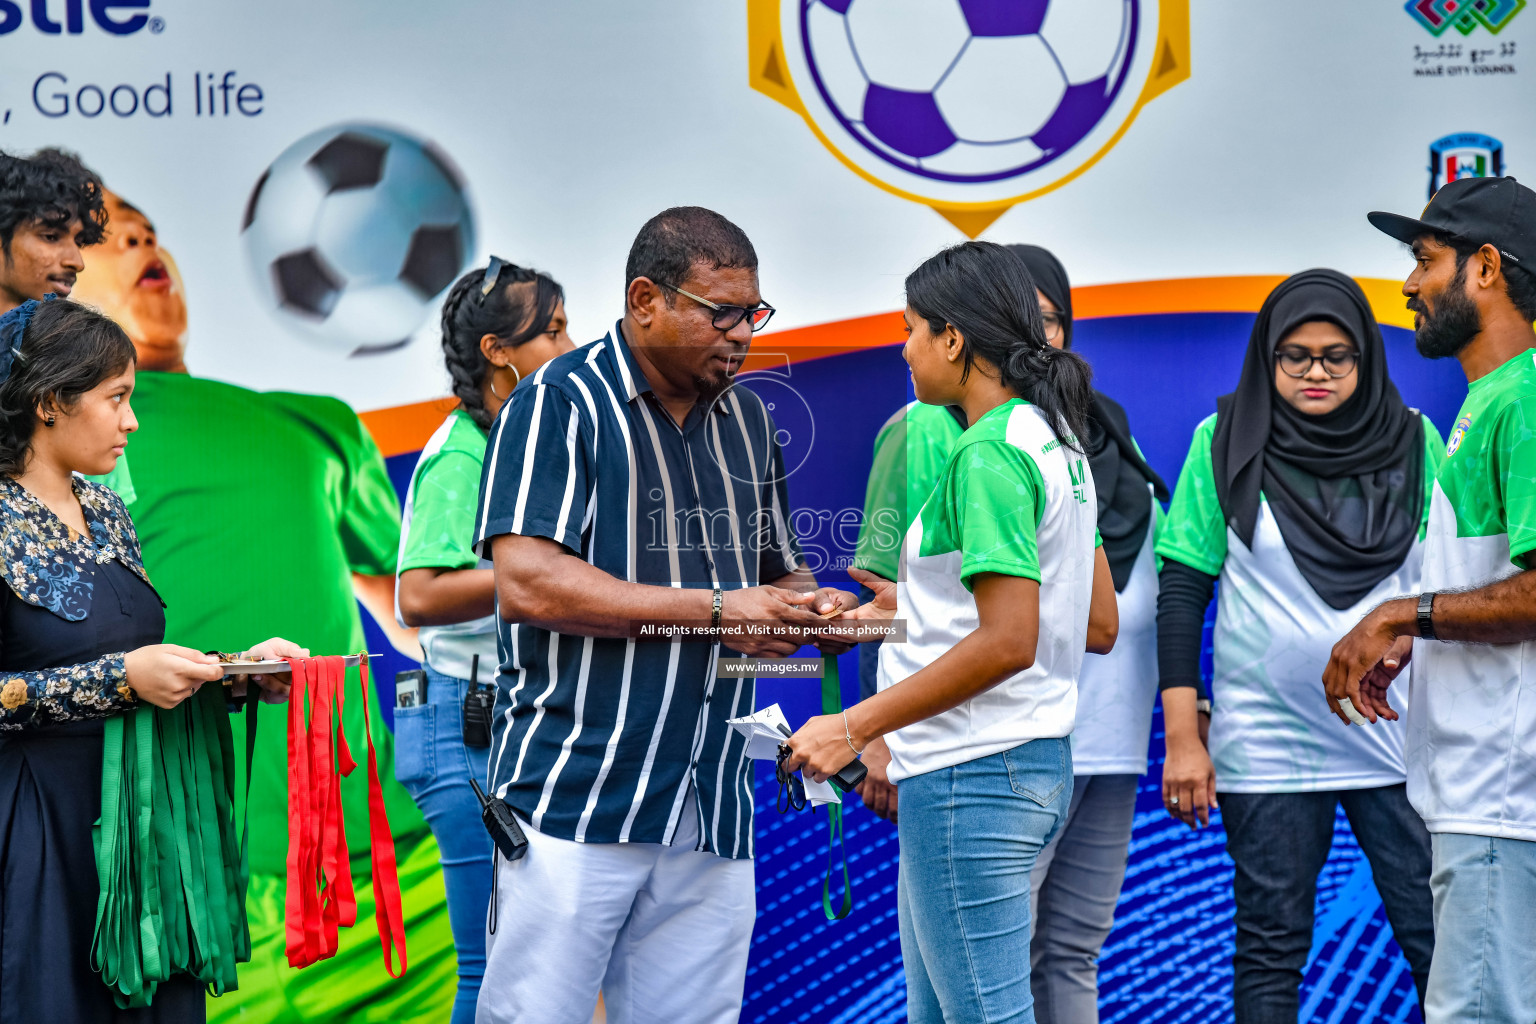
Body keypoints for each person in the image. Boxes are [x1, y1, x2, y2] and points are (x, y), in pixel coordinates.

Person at [68, 181, 445, 1023]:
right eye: (107, 237)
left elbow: (423, 609)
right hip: (186, 898)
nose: (138, 242)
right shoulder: (45, 444)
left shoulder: (317, 423)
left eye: (147, 228)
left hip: (389, 874)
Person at [472, 206, 857, 1024]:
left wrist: (818, 609)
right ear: (644, 299)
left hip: (712, 797)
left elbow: (774, 575)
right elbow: (530, 584)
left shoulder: (749, 421)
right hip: (577, 796)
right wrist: (719, 611)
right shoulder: (557, 404)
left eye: (753, 313)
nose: (742, 334)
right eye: (720, 312)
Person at [785, 240, 1118, 1024]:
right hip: (1016, 769)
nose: (902, 350)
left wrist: (853, 723)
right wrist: (877, 620)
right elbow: (1089, 620)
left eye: (911, 330)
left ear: (955, 339)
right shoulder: (1056, 441)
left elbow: (1010, 640)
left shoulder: (990, 452)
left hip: (972, 777)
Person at [0, 296, 302, 1020]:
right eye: (117, 399)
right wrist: (119, 682)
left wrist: (232, 674)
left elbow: (131, 658)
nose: (132, 421)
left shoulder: (107, 510)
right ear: (49, 403)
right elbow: (113, 673)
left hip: (141, 821)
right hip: (41, 829)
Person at [1156, 269, 1440, 1022]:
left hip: (1400, 737)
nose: (1317, 371)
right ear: (1266, 358)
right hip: (1268, 744)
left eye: (1337, 355)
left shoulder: (1417, 440)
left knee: (1437, 937)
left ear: (1367, 359)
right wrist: (1184, 738)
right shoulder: (1222, 441)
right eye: (1296, 355)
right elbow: (1183, 590)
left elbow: (1453, 587)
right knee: (1270, 948)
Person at [1327, 175, 1536, 1024]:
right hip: (1484, 797)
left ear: (1486, 269)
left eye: (1424, 260)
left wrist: (1399, 615)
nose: (1408, 284)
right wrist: (1427, 631)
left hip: (1503, 797)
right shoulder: (1491, 398)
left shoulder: (1524, 397)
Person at [393, 257, 572, 1024]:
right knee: (489, 963)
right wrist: (550, 577)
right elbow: (418, 594)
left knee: (538, 958)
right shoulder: (464, 451)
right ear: (499, 351)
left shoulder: (515, 439)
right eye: (553, 332)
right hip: (458, 725)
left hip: (508, 721)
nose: (572, 345)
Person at [1009, 243, 1169, 1024]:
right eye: (1020, 321)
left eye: (1051, 322)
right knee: (997, 951)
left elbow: (1158, 584)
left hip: (1112, 736)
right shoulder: (967, 436)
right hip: (1021, 740)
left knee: (1072, 949)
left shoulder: (1110, 426)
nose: (1040, 341)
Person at [0, 147, 134, 501]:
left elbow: (98, 534)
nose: (76, 260)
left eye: (78, 240)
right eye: (50, 236)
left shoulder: (78, 362)